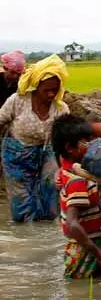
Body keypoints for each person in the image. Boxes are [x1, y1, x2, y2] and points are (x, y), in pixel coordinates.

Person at [52, 114, 101, 279]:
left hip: (94, 243)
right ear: (70, 148)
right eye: (87, 141)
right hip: (86, 250)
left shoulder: (74, 168)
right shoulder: (77, 180)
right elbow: (72, 224)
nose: (93, 144)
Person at [0, 54, 69, 222]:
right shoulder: (17, 101)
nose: (51, 94)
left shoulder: (61, 109)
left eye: (55, 89)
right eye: (47, 90)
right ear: (37, 86)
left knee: (51, 187)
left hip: (47, 153)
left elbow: (66, 138)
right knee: (21, 203)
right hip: (16, 155)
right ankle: (26, 231)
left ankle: (46, 229)